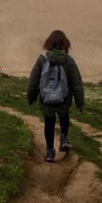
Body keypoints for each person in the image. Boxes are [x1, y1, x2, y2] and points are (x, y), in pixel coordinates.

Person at [27, 30, 84, 163]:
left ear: (49, 42)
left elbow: (33, 80)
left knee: (49, 122)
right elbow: (76, 82)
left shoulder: (42, 59)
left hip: (46, 99)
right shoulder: (68, 60)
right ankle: (64, 137)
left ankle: (50, 152)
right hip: (64, 98)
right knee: (64, 115)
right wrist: (80, 102)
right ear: (65, 44)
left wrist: (31, 97)